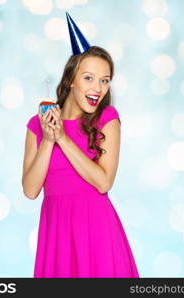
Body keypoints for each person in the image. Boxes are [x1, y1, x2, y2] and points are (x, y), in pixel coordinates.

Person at [22, 12, 139, 278]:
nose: (98, 87)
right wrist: (49, 140)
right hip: (57, 237)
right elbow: (30, 190)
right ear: (71, 80)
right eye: (89, 78)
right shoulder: (36, 125)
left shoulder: (107, 119)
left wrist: (63, 139)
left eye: (105, 80)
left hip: (97, 234)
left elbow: (103, 182)